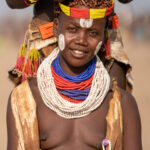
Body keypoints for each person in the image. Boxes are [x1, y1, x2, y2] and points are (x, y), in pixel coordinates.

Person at [7, 0, 142, 150]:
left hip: (101, 34)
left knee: (117, 113)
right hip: (45, 38)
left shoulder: (122, 100)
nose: (80, 40)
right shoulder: (27, 95)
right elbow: (12, 2)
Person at [6, 0, 133, 92]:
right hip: (46, 38)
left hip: (101, 39)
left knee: (116, 102)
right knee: (32, 108)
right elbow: (13, 2)